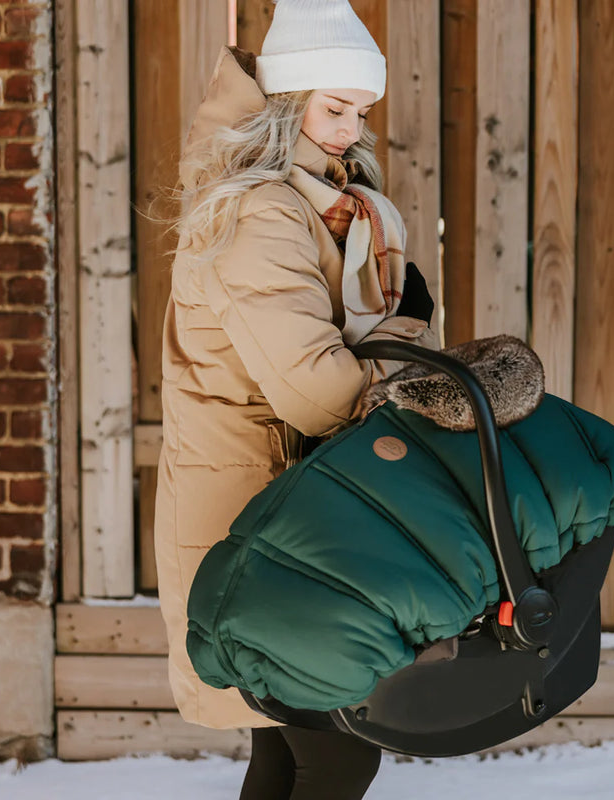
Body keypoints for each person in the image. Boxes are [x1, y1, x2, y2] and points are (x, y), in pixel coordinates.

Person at [154, 1, 438, 797]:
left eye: (362, 112)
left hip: (271, 505)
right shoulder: (263, 211)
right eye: (334, 107)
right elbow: (320, 396)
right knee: (339, 749)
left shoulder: (298, 197)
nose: (351, 129)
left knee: (288, 751)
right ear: (286, 101)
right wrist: (409, 326)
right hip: (260, 509)